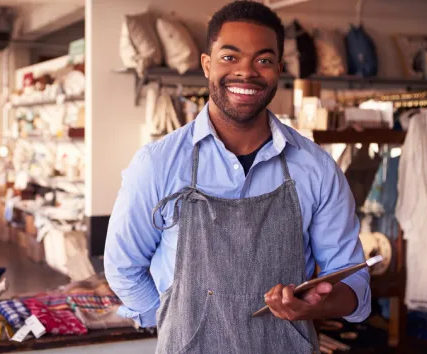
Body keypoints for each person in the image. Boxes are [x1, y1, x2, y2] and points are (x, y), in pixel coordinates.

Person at [104, 1, 371, 352]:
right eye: (230, 57)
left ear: (278, 68)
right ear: (206, 65)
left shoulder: (316, 168)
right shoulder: (158, 164)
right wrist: (177, 321)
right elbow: (123, 267)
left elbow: (355, 282)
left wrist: (317, 305)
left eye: (263, 60)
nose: (246, 72)